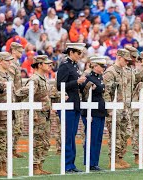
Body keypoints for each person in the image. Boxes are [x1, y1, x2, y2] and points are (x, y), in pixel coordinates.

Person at [56, 43, 86, 173]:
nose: (80, 56)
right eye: (78, 53)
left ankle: (71, 164)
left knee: (72, 135)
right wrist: (77, 82)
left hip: (75, 103)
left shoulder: (75, 66)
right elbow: (60, 85)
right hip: (67, 104)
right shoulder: (64, 66)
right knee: (68, 135)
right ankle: (67, 164)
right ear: (71, 52)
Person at [103, 49, 132, 169]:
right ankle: (113, 160)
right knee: (115, 135)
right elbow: (106, 93)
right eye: (125, 60)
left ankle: (120, 158)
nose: (127, 62)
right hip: (114, 109)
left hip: (124, 108)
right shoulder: (110, 72)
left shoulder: (124, 72)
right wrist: (109, 109)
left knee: (125, 134)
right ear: (119, 57)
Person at [80, 56, 107, 171]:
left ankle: (95, 162)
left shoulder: (100, 77)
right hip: (91, 111)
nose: (103, 68)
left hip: (100, 110)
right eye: (101, 66)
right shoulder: (88, 77)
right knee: (92, 137)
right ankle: (89, 162)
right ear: (95, 66)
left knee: (98, 138)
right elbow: (84, 92)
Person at [0, 52, 14, 177]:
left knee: (7, 142)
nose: (10, 62)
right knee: (0, 142)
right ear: (0, 61)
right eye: (7, 60)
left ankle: (5, 167)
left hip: (10, 114)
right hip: (2, 115)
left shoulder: (8, 76)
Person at [9, 42, 26, 158]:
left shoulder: (16, 63)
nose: (21, 53)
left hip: (18, 98)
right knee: (13, 126)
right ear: (14, 51)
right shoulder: (11, 64)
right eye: (19, 51)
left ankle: (13, 149)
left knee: (19, 126)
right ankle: (9, 150)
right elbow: (10, 82)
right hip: (13, 98)